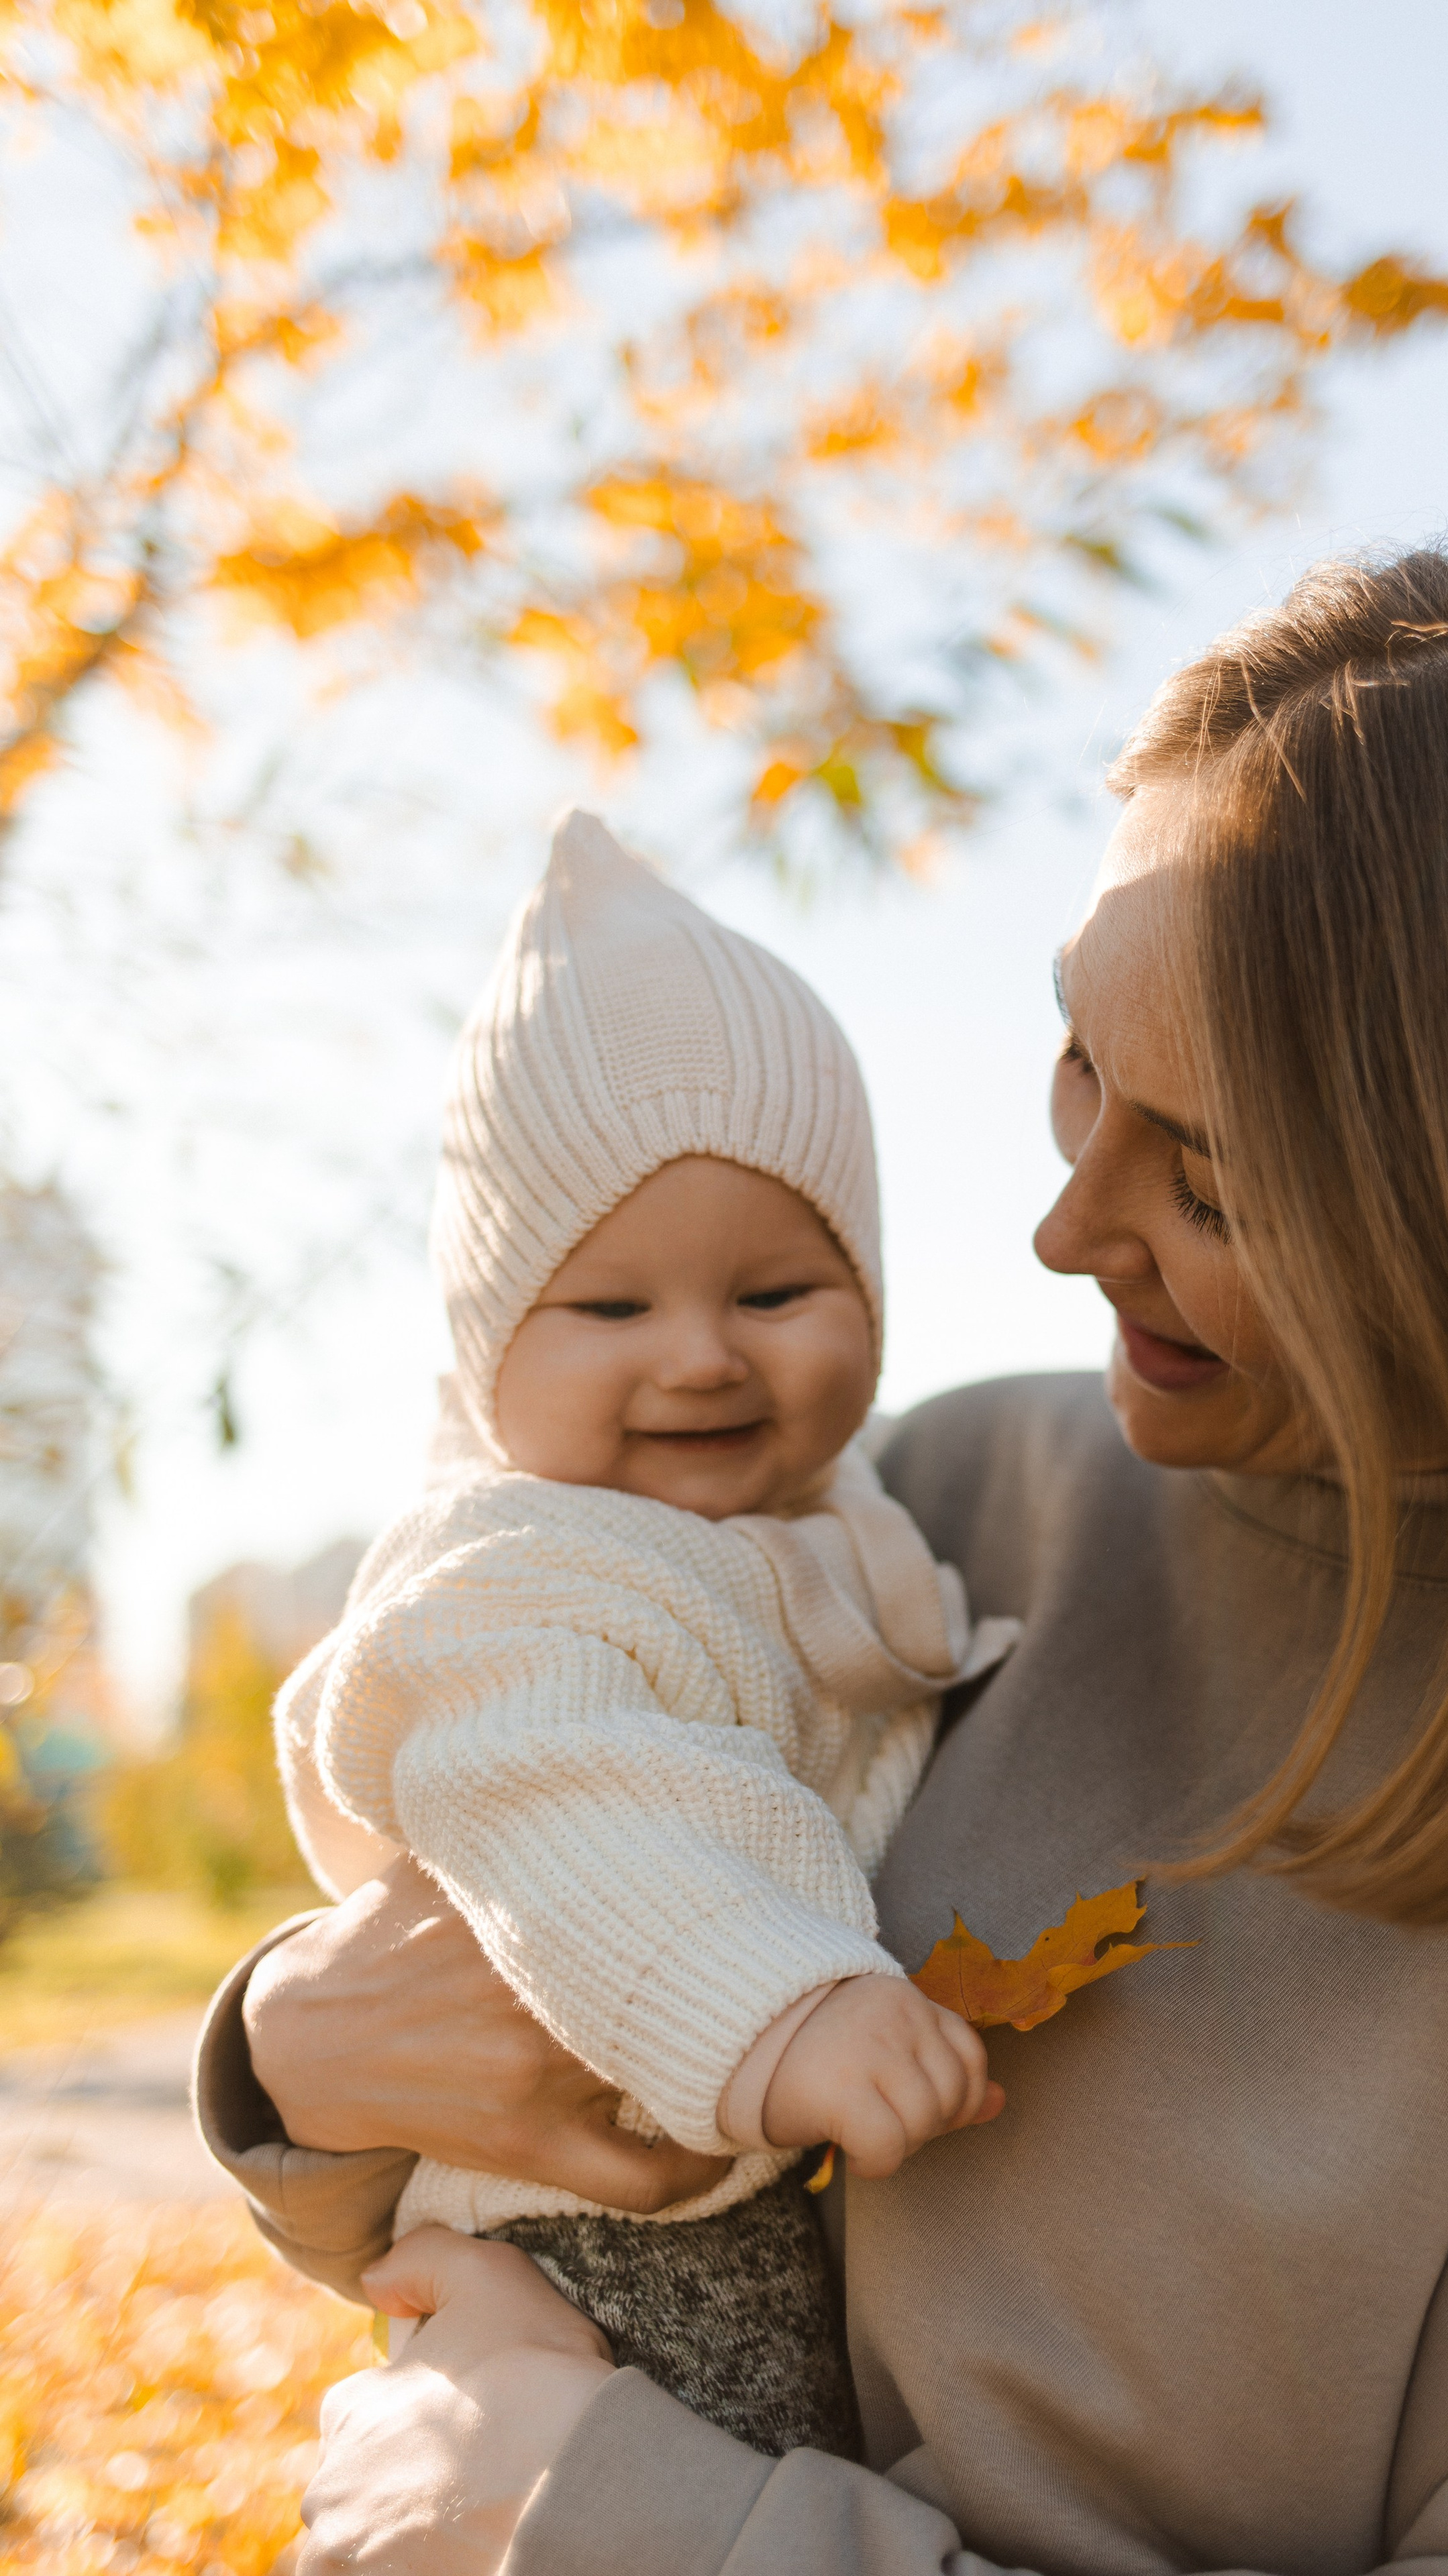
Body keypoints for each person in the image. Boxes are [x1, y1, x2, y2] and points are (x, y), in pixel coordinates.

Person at [199, 523, 1448, 2575]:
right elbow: (524, 1777)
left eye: (1219, 1179)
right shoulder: (938, 1499)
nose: (1065, 1230)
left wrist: (606, 2518)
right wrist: (288, 2051)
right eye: (1081, 1062)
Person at [270, 810, 1013, 2458]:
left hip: (753, 2198)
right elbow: (560, 1795)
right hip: (590, 2224)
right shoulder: (518, 1572)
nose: (696, 1359)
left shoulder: (830, 1525)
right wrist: (787, 2012)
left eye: (772, 1295)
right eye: (609, 1308)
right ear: (486, 1348)